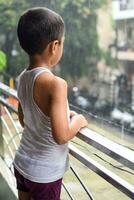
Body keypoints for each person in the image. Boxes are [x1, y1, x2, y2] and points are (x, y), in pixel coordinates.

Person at [13, 7, 88, 200]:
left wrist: (63, 117)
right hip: (44, 174)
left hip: (22, 163)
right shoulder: (56, 84)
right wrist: (78, 121)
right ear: (54, 46)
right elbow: (62, 136)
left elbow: (24, 120)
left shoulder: (22, 78)